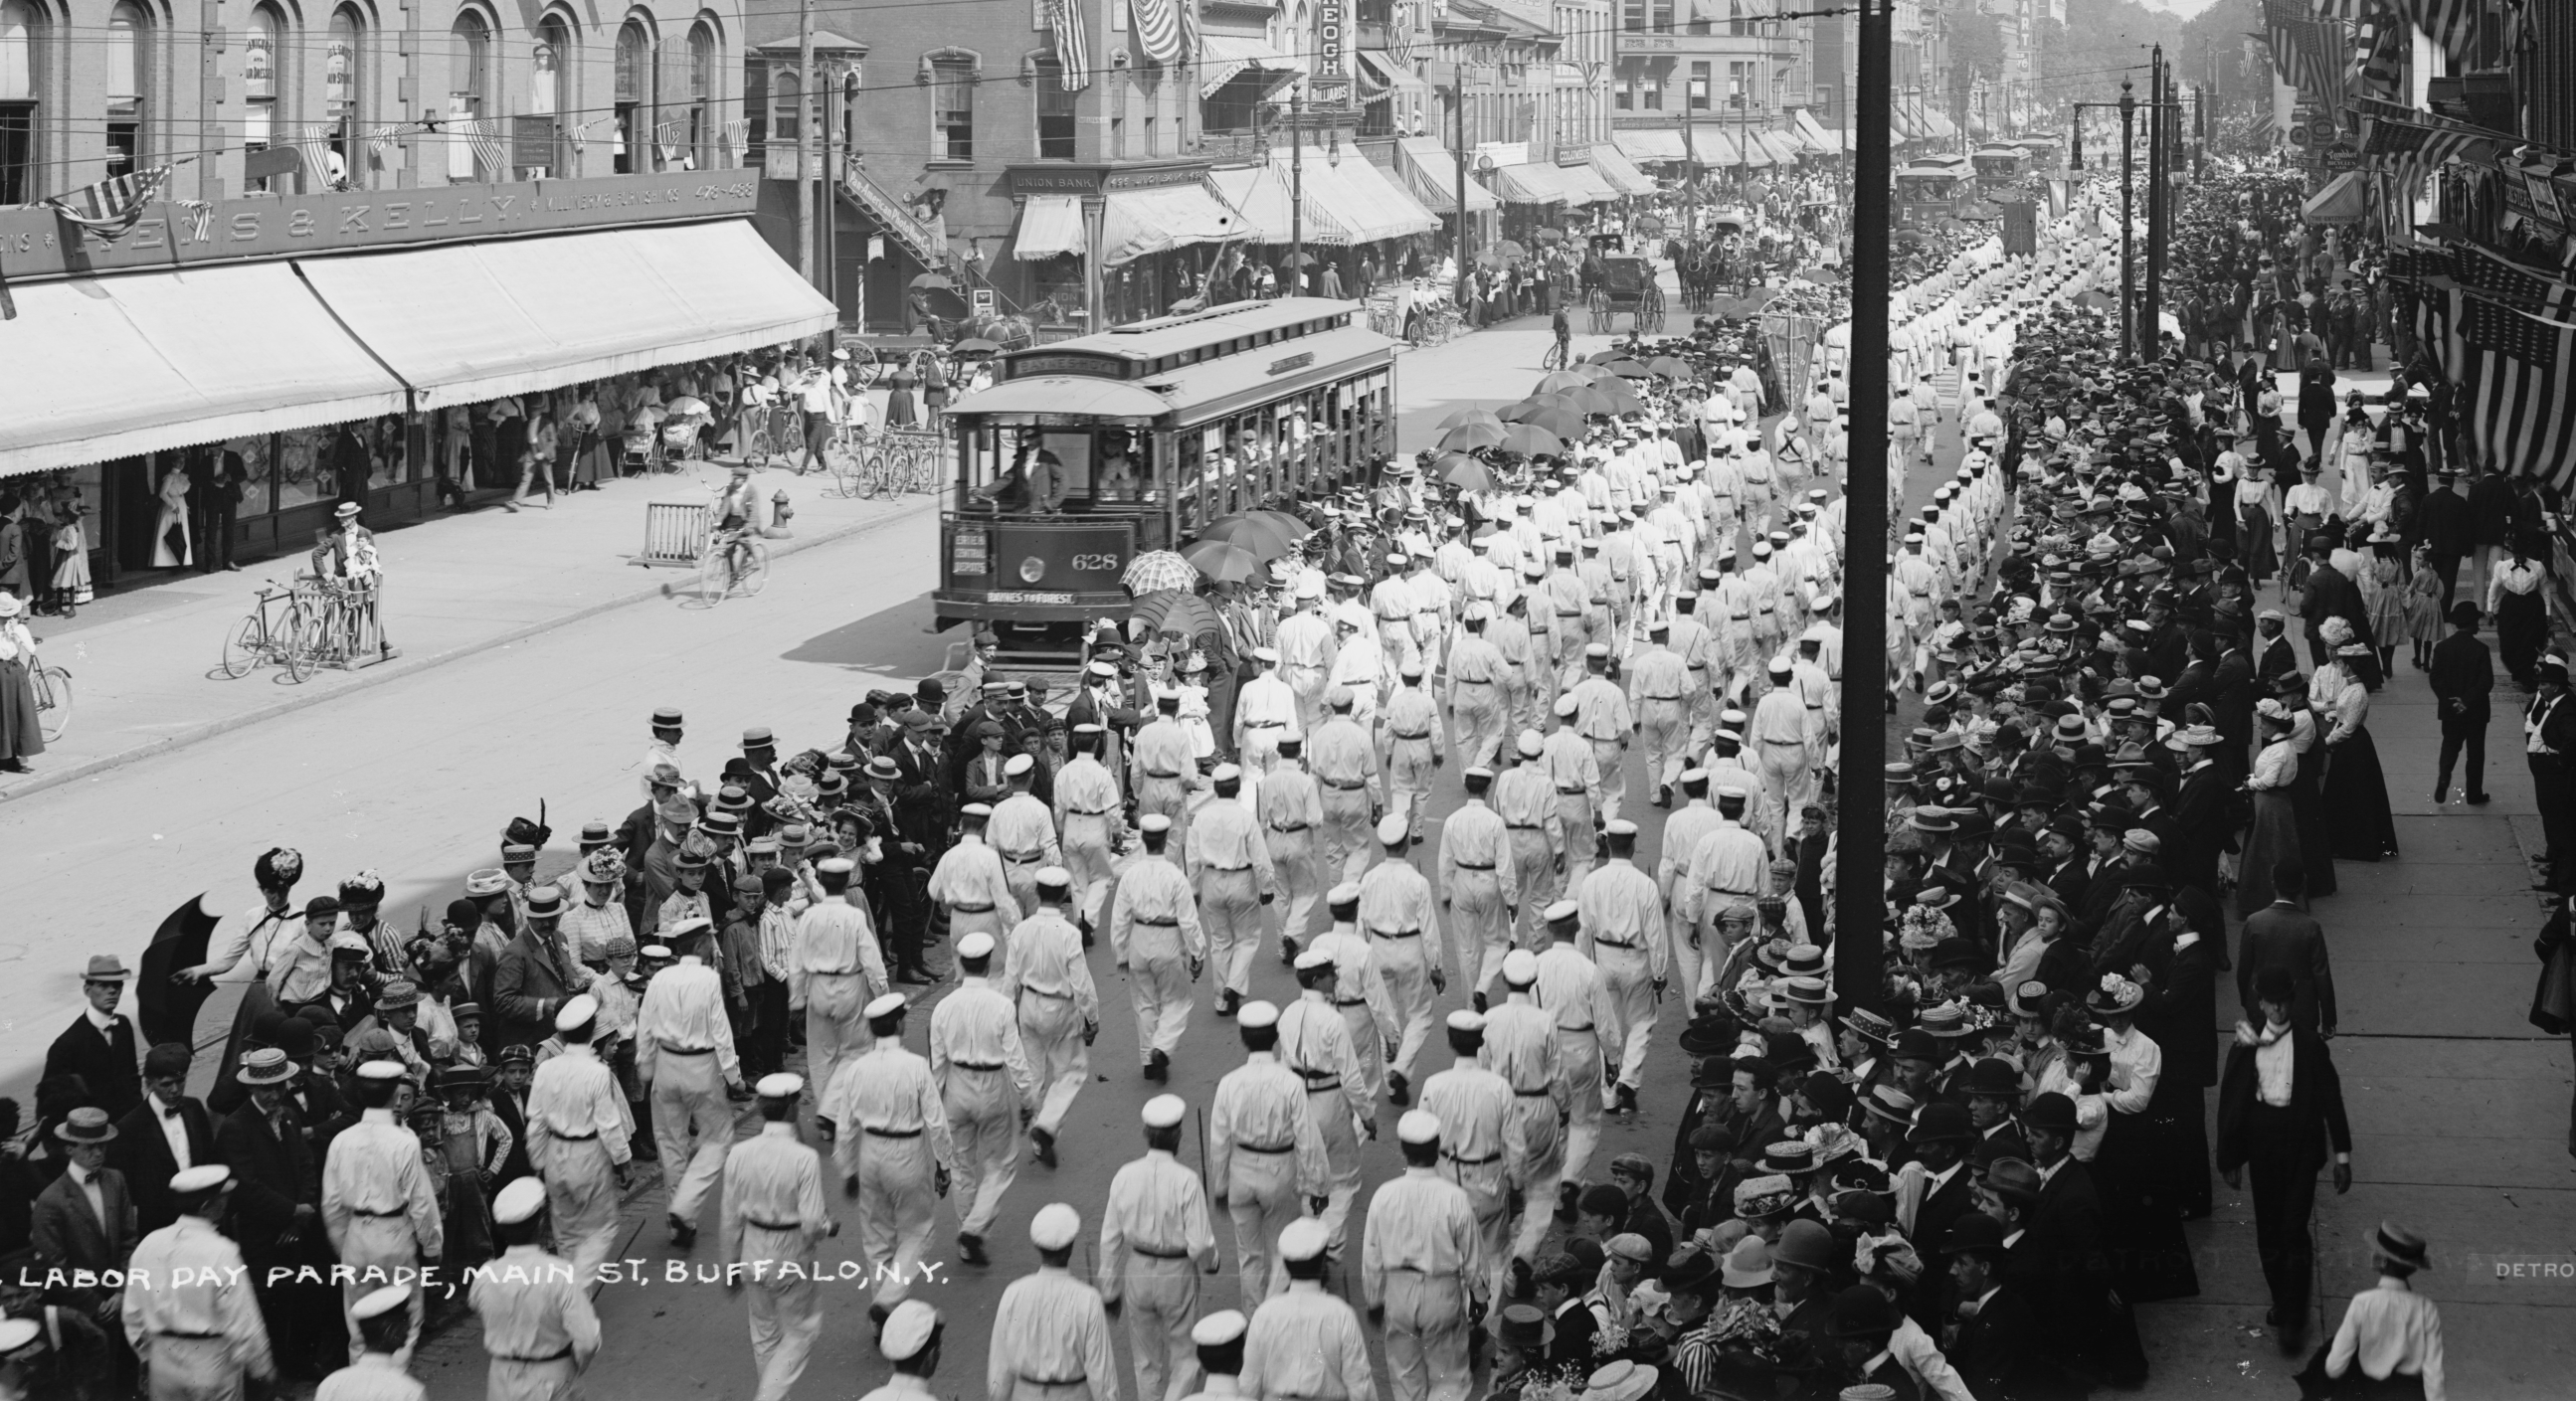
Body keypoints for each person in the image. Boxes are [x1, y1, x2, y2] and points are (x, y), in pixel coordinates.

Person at [2217, 967, 2354, 1355]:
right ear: (2260, 1003)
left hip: (2301, 1146)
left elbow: (2331, 1098)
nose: (2277, 1009)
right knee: (2269, 1231)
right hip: (2263, 1145)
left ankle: (2295, 1319)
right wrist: (2230, 1157)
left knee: (2293, 1229)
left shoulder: (2310, 1045)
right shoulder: (2246, 1045)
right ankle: (2283, 1298)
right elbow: (2233, 1102)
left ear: (2291, 1002)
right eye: (2270, 1002)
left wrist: (2342, 1156)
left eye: (2283, 1002)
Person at [827, 993, 955, 1320]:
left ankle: (881, 1322)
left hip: (870, 1153)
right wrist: (944, 1165)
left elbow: (846, 1127)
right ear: (899, 1024)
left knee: (877, 1239)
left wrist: (848, 1170)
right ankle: (888, 1299)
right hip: (907, 1152)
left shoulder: (856, 1069)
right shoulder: (916, 1066)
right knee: (918, 1231)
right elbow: (936, 1122)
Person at [720, 1073, 835, 1401]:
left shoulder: (739, 1153)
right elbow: (812, 1223)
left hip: (752, 1249)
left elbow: (730, 1216)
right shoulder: (803, 1158)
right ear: (791, 1108)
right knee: (802, 1330)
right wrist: (828, 1228)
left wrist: (729, 1265)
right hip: (790, 1251)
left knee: (764, 1334)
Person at [1099, 1095, 1220, 1401]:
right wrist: (1211, 1263)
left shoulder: (1124, 1175)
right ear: (1178, 1135)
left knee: (1145, 1362)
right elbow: (1200, 1244)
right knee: (1186, 1358)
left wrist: (1109, 1290)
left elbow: (1110, 1237)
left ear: (1145, 1134)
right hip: (1176, 1274)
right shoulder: (1187, 1180)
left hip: (1137, 1271)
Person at [1361, 1110, 1485, 1401]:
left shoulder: (1384, 1195)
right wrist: (1479, 1295)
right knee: (1448, 1375)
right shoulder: (1454, 1197)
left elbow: (1372, 1253)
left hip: (1399, 1293)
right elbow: (1473, 1253)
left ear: (1404, 1150)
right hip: (1442, 1292)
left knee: (1405, 1375)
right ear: (1438, 1147)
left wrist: (1374, 1298)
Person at [120, 1165, 275, 1399]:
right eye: (222, 1198)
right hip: (211, 1362)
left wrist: (147, 1357)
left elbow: (132, 1314)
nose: (226, 1203)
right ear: (206, 1206)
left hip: (162, 1362)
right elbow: (243, 1321)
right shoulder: (221, 1251)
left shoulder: (149, 1244)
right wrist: (262, 1369)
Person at [931, 929, 1036, 1266]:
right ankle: (975, 1227)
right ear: (989, 964)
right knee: (1001, 1163)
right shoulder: (1002, 1005)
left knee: (961, 1166)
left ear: (961, 964)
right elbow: (1017, 1060)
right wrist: (1027, 1100)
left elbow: (937, 1067)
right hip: (992, 1086)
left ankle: (966, 1238)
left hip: (956, 1086)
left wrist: (936, 1113)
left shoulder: (943, 1008)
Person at [470, 1176, 603, 1401]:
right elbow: (588, 1341)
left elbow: (480, 1308)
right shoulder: (560, 1273)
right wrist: (572, 1365)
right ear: (541, 1223)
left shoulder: (485, 1275)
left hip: (501, 1380)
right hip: (552, 1379)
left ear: (500, 1229)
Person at [987, 1203, 1119, 1401]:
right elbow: (1101, 1373)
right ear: (1070, 1248)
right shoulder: (1088, 1299)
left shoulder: (1013, 1292)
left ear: (1037, 1246)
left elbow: (1000, 1363)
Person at [1241, 1218, 1375, 1401]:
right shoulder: (1341, 1313)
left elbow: (1250, 1382)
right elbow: (1359, 1383)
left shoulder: (1264, 1313)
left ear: (1285, 1266)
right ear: (1323, 1263)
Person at [42, 955, 142, 1120]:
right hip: (93, 1130)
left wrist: (137, 1113)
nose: (112, 991)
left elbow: (132, 1075)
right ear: (87, 990)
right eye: (103, 985)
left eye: (117, 985)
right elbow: (49, 1103)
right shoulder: (66, 1044)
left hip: (129, 1125)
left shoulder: (123, 1025)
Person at [2429, 601, 2494, 805]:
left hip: (2450, 711)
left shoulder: (2442, 648)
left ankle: (2444, 777)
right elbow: (2486, 682)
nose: (2479, 626)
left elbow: (2436, 679)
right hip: (2476, 711)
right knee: (2475, 753)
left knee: (2450, 745)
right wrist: (2466, 700)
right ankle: (2474, 794)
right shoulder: (2481, 650)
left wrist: (2451, 702)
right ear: (2471, 623)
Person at [314, 1285, 424, 1401]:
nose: (409, 1329)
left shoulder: (329, 1385)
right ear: (391, 1331)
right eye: (406, 1323)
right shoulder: (410, 1392)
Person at [0, 593, 44, 773]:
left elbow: (31, 648)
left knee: (11, 714)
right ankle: (8, 757)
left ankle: (10, 757)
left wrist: (14, 632)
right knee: (10, 714)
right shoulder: (11, 629)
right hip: (7, 673)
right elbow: (29, 649)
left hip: (11, 673)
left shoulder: (17, 629)